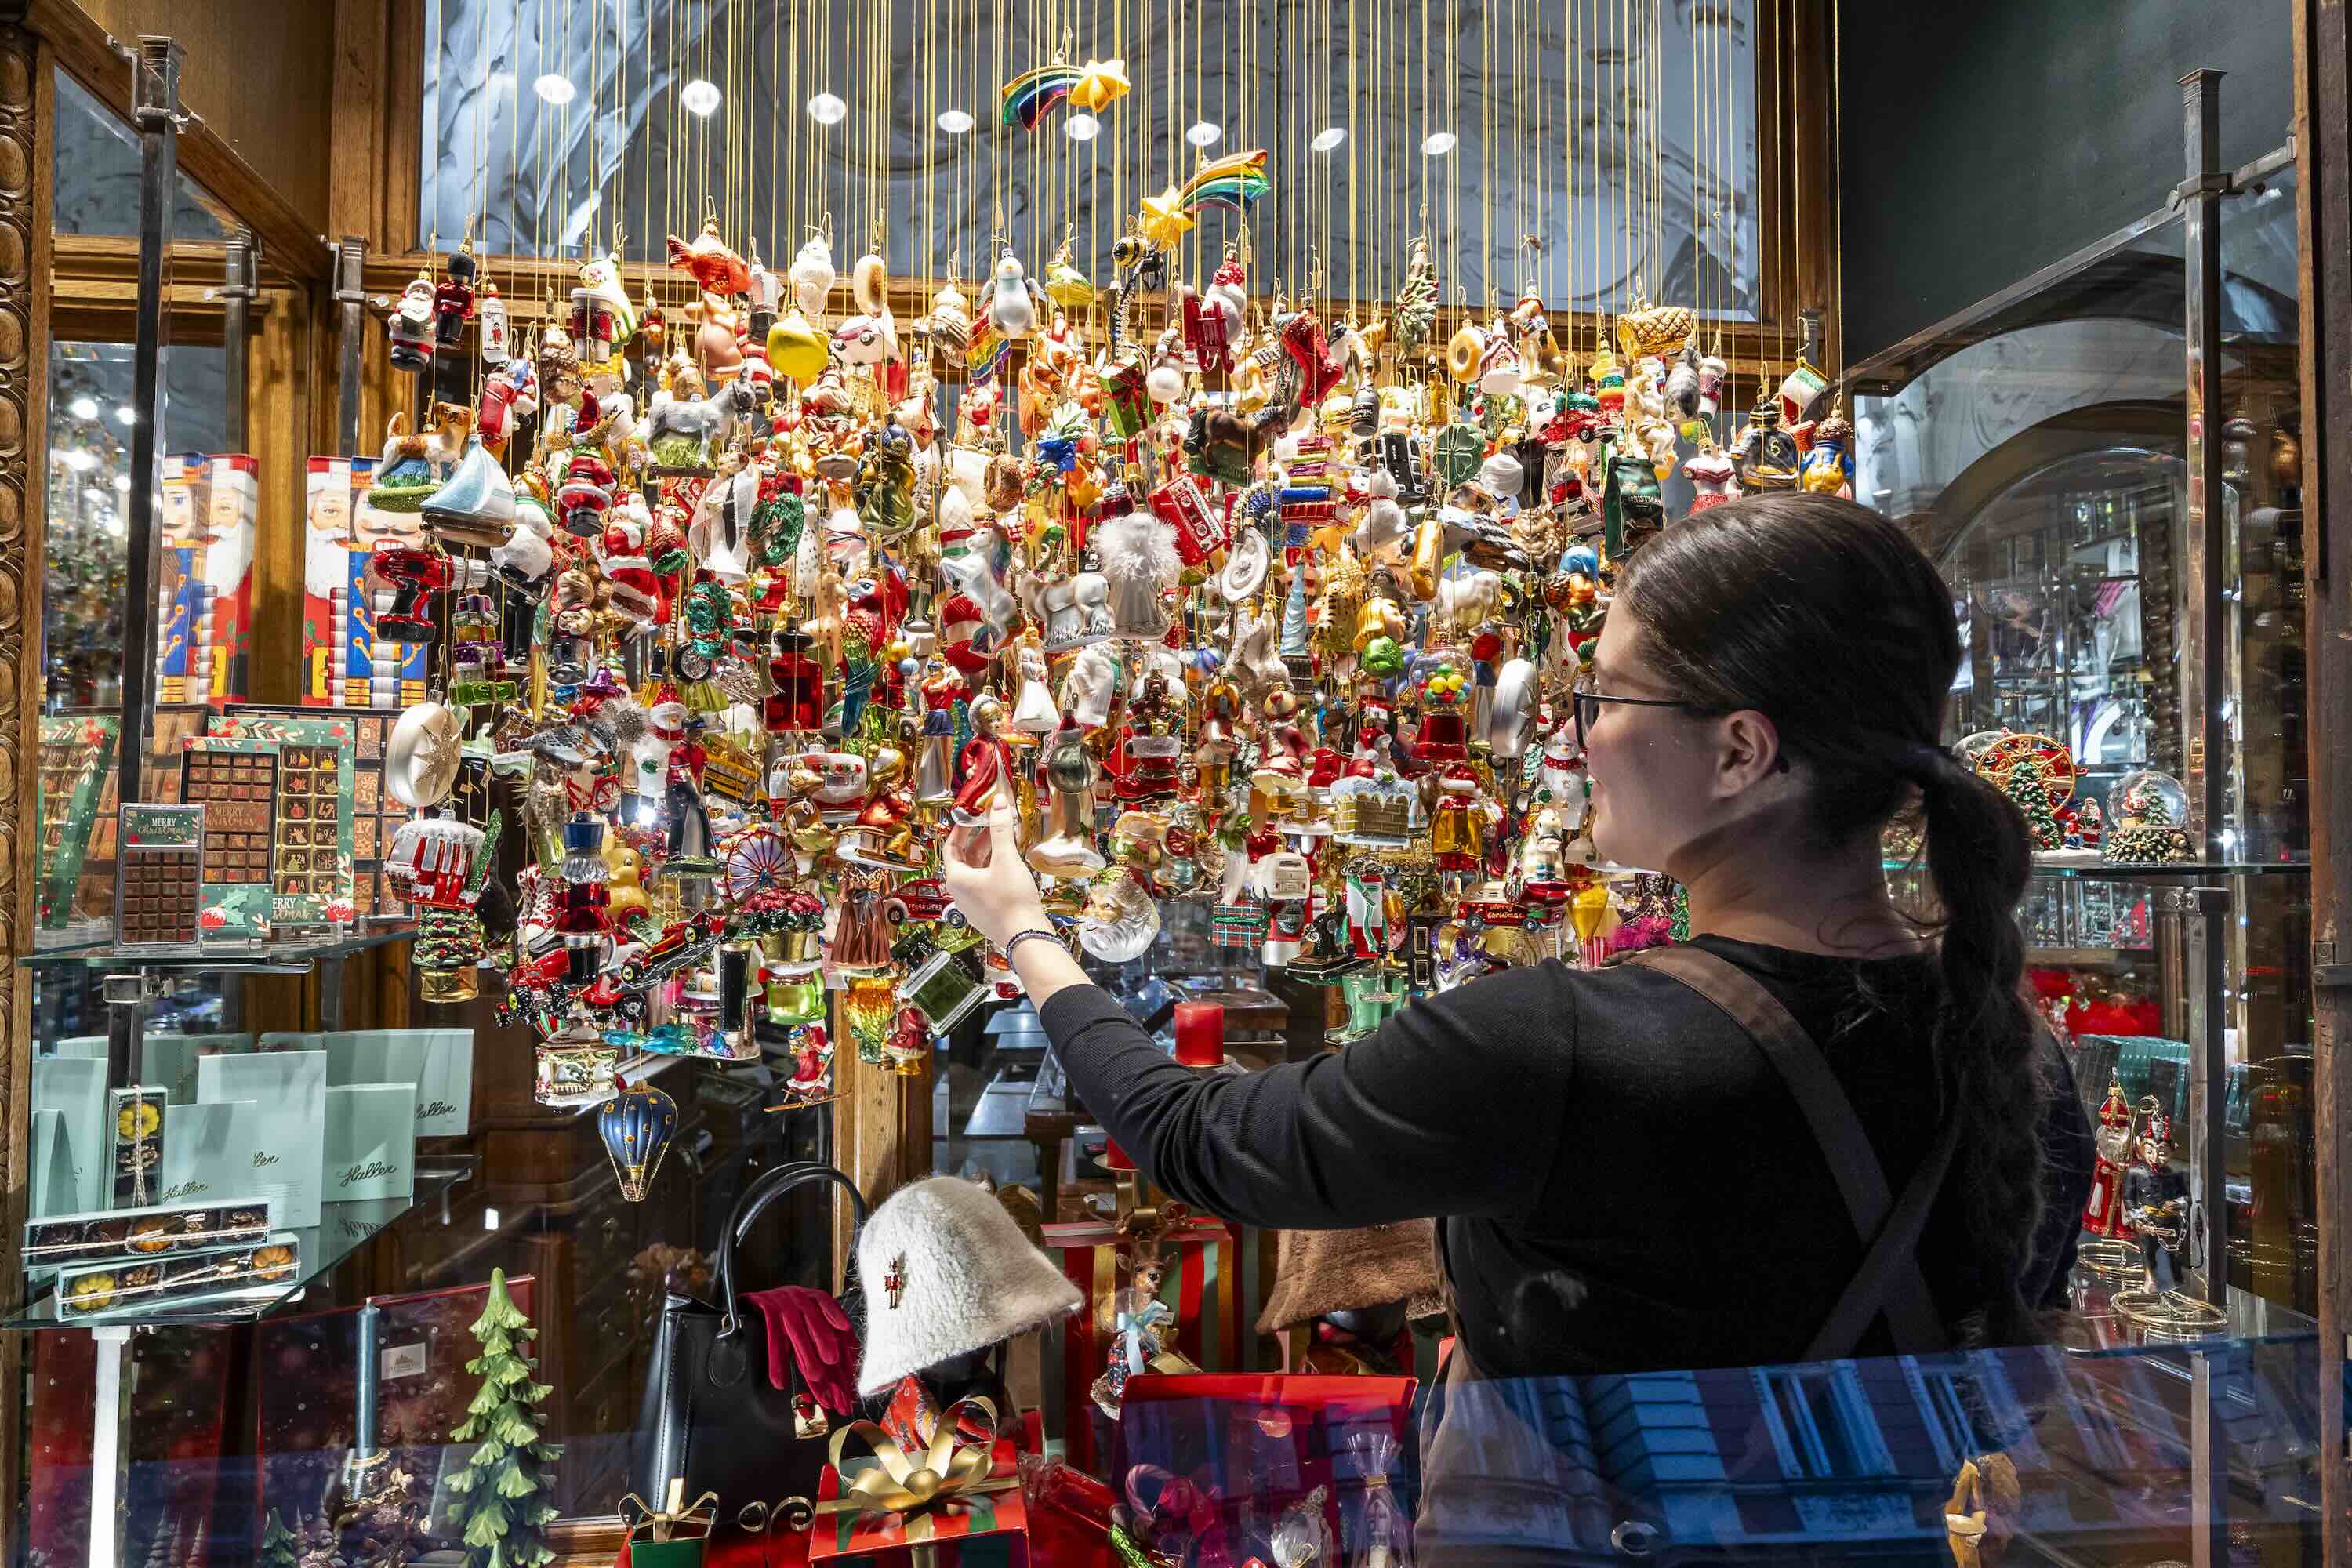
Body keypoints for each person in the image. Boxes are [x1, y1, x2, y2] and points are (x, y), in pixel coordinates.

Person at [943, 493, 2093, 1534]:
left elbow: (1201, 1141)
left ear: (1742, 750)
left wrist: (1027, 933)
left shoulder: (1560, 1049)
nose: (1576, 734)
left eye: (1605, 696)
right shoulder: (2015, 1054)